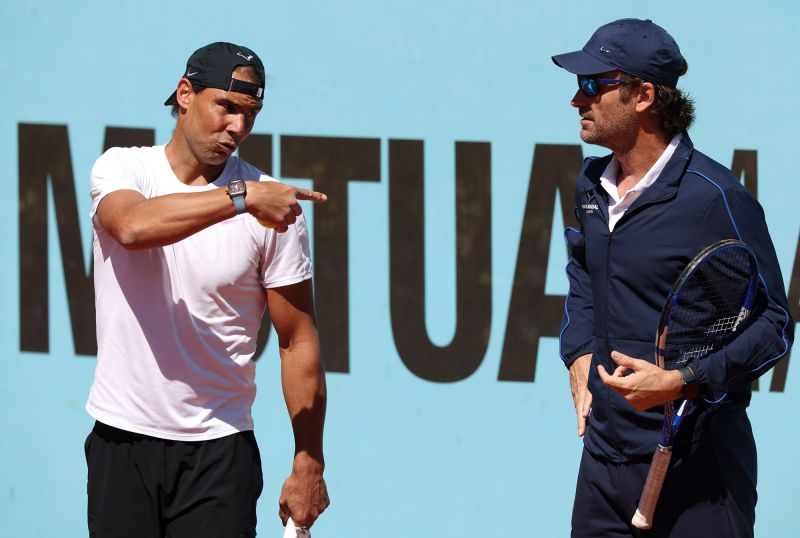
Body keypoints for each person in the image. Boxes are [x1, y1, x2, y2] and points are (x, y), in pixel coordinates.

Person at [554, 19, 794, 538]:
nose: (578, 99)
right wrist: (577, 353)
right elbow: (583, 273)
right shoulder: (591, 185)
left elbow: (774, 324)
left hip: (699, 473)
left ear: (643, 96)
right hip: (603, 466)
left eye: (594, 84)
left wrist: (683, 381)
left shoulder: (716, 199)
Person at [84, 42, 330, 537]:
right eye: (227, 107)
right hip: (120, 444)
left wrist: (309, 462)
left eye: (250, 114)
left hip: (220, 457)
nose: (238, 128)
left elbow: (296, 339)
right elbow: (132, 227)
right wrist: (240, 199)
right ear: (185, 94)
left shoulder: (273, 208)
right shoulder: (122, 168)